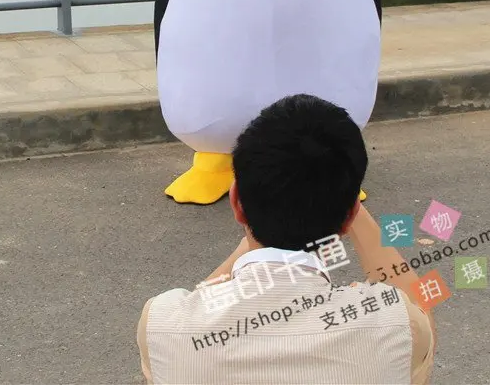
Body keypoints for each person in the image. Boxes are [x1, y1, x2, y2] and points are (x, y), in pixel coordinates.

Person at [137, 94, 436, 384]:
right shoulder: (396, 326)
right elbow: (421, 311)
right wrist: (348, 205)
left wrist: (250, 241)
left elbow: (195, 308)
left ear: (236, 201)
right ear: (349, 217)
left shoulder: (162, 325)